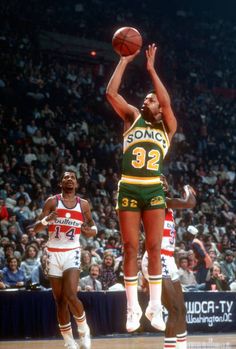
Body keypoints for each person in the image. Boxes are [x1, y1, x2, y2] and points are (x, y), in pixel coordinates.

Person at [106, 44, 177, 332]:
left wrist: (150, 69)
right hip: (130, 187)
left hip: (153, 188)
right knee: (130, 247)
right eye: (147, 98)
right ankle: (133, 307)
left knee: (155, 248)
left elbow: (167, 102)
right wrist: (124, 61)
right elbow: (111, 93)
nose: (146, 100)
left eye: (151, 99)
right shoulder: (132, 116)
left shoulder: (167, 127)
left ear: (159, 108)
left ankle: (154, 306)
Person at [34, 170, 97, 349]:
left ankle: (84, 330)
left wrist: (91, 231)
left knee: (70, 295)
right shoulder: (52, 202)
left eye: (73, 178)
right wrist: (47, 220)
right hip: (53, 253)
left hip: (72, 252)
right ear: (61, 183)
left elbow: (92, 226)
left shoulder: (83, 204)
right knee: (60, 301)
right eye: (66, 177)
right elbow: (36, 229)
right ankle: (69, 341)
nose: (69, 179)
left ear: (76, 184)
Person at [142, 183, 196, 349]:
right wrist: (187, 188)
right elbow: (189, 203)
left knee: (181, 309)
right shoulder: (157, 201)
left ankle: (182, 346)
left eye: (165, 180)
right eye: (159, 179)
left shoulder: (168, 208)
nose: (164, 182)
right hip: (157, 258)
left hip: (168, 259)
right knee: (173, 309)